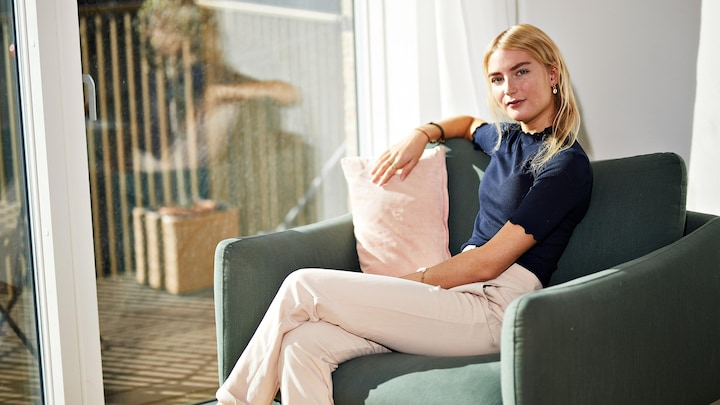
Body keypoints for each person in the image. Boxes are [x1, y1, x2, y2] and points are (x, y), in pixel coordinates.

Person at [216, 23, 592, 405]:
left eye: (521, 71)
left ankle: (233, 401)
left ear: (552, 74)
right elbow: (466, 124)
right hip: (458, 298)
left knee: (303, 286)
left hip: (494, 309)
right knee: (303, 343)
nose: (508, 88)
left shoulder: (565, 164)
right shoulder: (507, 138)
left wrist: (409, 283)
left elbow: (489, 263)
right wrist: (421, 134)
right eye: (497, 78)